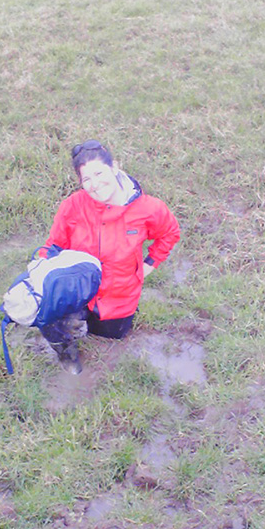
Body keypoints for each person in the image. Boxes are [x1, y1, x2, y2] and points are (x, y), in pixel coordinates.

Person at [39, 139, 180, 373]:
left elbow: (170, 233)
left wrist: (148, 266)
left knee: (110, 336)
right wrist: (39, 274)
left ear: (114, 167)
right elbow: (54, 245)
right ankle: (68, 358)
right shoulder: (72, 206)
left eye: (99, 172)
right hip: (79, 292)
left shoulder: (149, 209)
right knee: (54, 323)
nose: (95, 184)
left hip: (119, 298)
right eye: (86, 179)